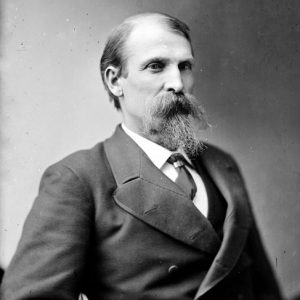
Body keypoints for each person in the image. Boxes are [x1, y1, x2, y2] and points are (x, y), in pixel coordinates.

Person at [0, 12, 282, 300]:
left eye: (185, 66)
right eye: (156, 66)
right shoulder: (78, 178)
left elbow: (263, 288)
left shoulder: (221, 164)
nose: (177, 83)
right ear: (114, 81)